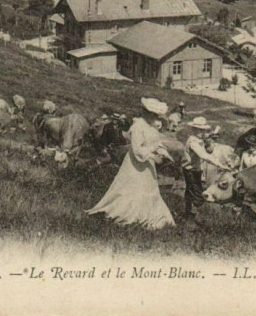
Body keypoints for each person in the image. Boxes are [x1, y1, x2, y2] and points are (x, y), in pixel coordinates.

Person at [87, 97, 175, 230]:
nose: (155, 117)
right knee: (133, 189)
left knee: (149, 190)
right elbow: (137, 150)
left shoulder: (151, 127)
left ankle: (148, 215)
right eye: (152, 114)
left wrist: (164, 153)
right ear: (145, 112)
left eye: (156, 115)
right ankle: (130, 216)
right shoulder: (137, 127)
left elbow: (156, 143)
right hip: (136, 164)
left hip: (148, 164)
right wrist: (153, 155)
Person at [181, 116, 226, 225]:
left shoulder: (198, 139)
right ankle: (190, 220)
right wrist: (219, 164)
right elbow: (203, 155)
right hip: (190, 170)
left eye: (203, 130)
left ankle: (188, 217)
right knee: (198, 196)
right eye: (199, 130)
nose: (202, 132)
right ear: (194, 129)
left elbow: (205, 138)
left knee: (190, 193)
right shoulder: (193, 142)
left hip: (195, 170)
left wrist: (212, 135)